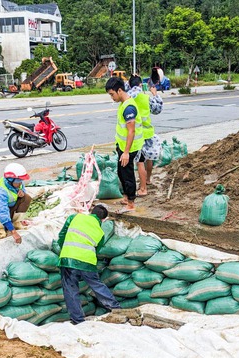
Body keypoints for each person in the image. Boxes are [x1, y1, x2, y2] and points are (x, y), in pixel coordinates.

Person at [58, 204, 122, 324]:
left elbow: (61, 235)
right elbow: (97, 251)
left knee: (70, 289)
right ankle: (116, 308)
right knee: (97, 285)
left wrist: (64, 249)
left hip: (68, 259)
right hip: (88, 263)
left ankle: (77, 320)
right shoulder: (100, 232)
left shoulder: (74, 217)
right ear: (103, 220)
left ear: (91, 212)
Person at [105, 76, 144, 213]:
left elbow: (131, 131)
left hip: (130, 147)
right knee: (121, 172)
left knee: (127, 175)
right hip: (123, 146)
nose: (112, 98)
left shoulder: (129, 107)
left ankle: (131, 203)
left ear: (119, 90)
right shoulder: (123, 104)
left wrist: (126, 152)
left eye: (112, 94)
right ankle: (126, 198)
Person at [127, 74, 163, 196]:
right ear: (140, 85)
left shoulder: (129, 97)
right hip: (148, 132)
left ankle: (143, 188)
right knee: (148, 158)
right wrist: (155, 94)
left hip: (137, 134)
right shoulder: (146, 97)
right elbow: (157, 110)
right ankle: (147, 180)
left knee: (140, 161)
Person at [0, 163, 32, 244]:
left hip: (9, 209)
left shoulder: (17, 183)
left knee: (26, 198)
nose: (20, 183)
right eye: (18, 181)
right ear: (10, 180)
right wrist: (13, 232)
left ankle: (16, 222)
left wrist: (22, 193)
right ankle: (0, 227)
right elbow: (2, 211)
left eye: (21, 181)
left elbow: (22, 190)